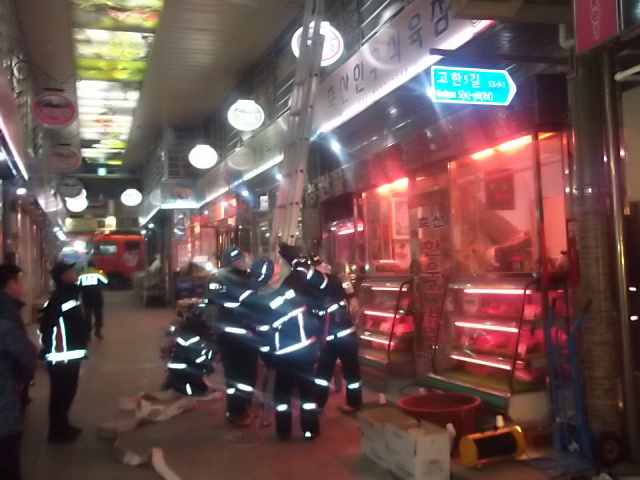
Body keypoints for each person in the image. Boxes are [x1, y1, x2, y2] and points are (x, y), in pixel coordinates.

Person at [258, 243, 323, 441]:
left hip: (281, 355)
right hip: (303, 350)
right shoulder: (291, 287)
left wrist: (267, 356)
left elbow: (262, 333)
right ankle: (309, 430)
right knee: (307, 394)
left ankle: (283, 431)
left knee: (282, 394)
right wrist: (292, 258)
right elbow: (303, 272)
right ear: (273, 277)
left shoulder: (260, 301)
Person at [207, 246, 259, 427]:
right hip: (243, 336)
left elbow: (211, 303)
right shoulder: (245, 279)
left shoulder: (216, 278)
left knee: (233, 376)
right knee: (246, 376)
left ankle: (237, 410)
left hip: (225, 335)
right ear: (238, 260)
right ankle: (239, 412)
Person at [40, 261, 90, 443]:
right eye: (70, 271)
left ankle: (63, 425)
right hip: (62, 355)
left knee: (68, 392)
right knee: (61, 394)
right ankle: (57, 432)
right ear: (63, 277)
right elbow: (48, 325)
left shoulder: (70, 295)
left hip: (71, 352)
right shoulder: (59, 298)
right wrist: (52, 349)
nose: (74, 273)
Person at [305, 255, 363, 413]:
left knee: (349, 372)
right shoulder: (315, 287)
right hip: (330, 338)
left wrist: (352, 298)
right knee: (324, 373)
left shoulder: (332, 283)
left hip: (343, 336)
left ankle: (353, 403)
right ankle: (319, 403)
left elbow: (344, 279)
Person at [0, 264, 38, 480]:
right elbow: (27, 356)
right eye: (20, 280)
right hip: (4, 410)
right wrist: (20, 382)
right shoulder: (6, 321)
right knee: (8, 466)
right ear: (11, 283)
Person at [77, 259, 108, 339]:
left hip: (86, 298)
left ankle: (88, 334)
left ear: (87, 266)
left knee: (87, 316)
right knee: (98, 315)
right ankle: (98, 331)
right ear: (95, 266)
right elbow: (106, 281)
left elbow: (77, 285)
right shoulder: (98, 273)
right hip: (97, 297)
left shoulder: (82, 274)